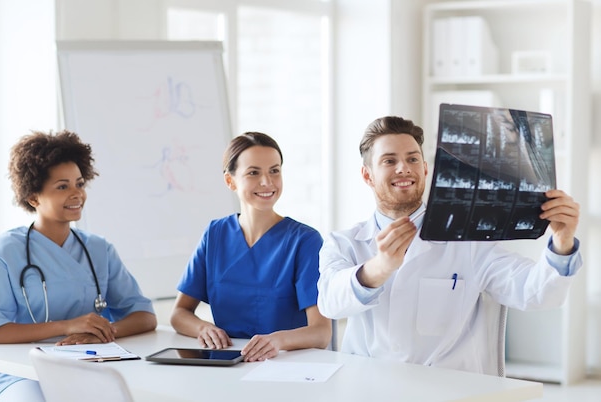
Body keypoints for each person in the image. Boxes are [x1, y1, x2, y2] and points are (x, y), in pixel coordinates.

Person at [316, 116, 582, 375]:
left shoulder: (468, 240)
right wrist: (378, 268)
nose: (403, 168)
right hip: (370, 387)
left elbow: (535, 293)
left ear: (425, 169)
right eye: (389, 160)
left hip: (448, 389)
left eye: (412, 159)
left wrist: (562, 242)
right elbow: (330, 303)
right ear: (367, 175)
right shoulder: (344, 242)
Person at [0, 130, 157, 401]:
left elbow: (144, 315)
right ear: (33, 197)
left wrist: (101, 333)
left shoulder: (99, 249)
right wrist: (67, 326)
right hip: (25, 372)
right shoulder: (3, 252)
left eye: (80, 184)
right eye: (62, 186)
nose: (77, 194)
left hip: (92, 367)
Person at [170, 132, 332, 362]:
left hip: (286, 363)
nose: (267, 182)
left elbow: (321, 332)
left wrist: (277, 340)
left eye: (274, 171)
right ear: (230, 181)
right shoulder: (215, 234)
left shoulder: (305, 241)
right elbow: (179, 313)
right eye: (254, 173)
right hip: (229, 362)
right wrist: (203, 329)